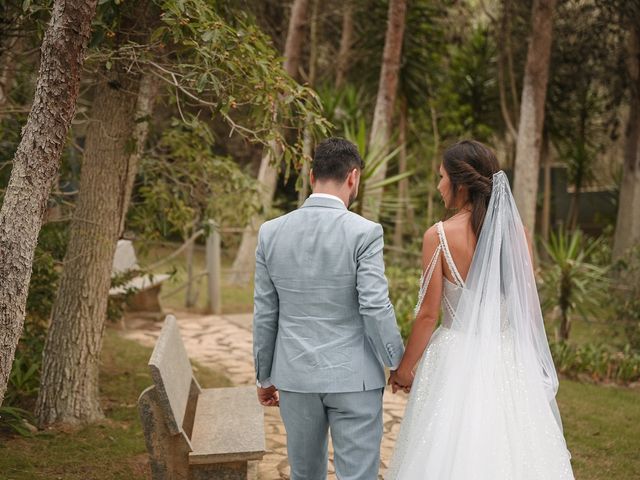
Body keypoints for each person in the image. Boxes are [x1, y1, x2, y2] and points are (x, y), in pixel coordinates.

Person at [386, 140, 575, 479]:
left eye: (441, 177)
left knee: (447, 446)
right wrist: (530, 364)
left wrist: (403, 370)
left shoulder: (439, 236)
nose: (438, 185)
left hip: (453, 357)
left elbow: (428, 316)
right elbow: (529, 309)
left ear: (460, 183)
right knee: (512, 447)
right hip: (507, 357)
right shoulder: (516, 232)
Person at [253, 137, 405, 480]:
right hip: (354, 379)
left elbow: (265, 312)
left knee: (304, 475)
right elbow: (374, 306)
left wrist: (264, 375)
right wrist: (396, 362)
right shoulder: (365, 233)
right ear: (353, 177)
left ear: (311, 177)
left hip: (295, 375)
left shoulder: (270, 233)